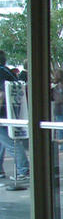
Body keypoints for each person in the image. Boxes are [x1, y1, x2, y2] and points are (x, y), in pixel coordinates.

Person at [0, 50, 31, 183]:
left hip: (4, 113)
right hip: (11, 111)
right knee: (4, 142)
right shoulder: (7, 72)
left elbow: (1, 93)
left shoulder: (2, 73)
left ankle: (23, 169)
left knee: (10, 142)